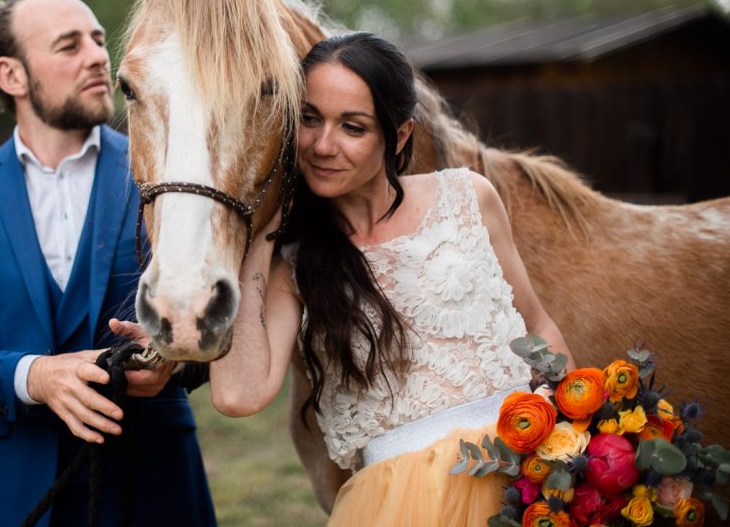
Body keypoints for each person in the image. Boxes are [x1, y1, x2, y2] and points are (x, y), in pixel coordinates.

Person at [208, 32, 575, 525]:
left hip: (523, 477)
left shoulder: (468, 198)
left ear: (399, 136)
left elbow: (540, 328)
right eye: (310, 119)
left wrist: (581, 439)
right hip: (400, 505)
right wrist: (263, 232)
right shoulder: (292, 265)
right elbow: (237, 396)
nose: (322, 145)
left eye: (352, 127)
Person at [0, 0, 216, 527]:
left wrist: (175, 359)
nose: (98, 55)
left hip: (151, 480)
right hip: (15, 489)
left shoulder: (167, 173)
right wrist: (35, 377)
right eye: (69, 45)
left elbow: (216, 312)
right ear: (12, 76)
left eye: (99, 40)